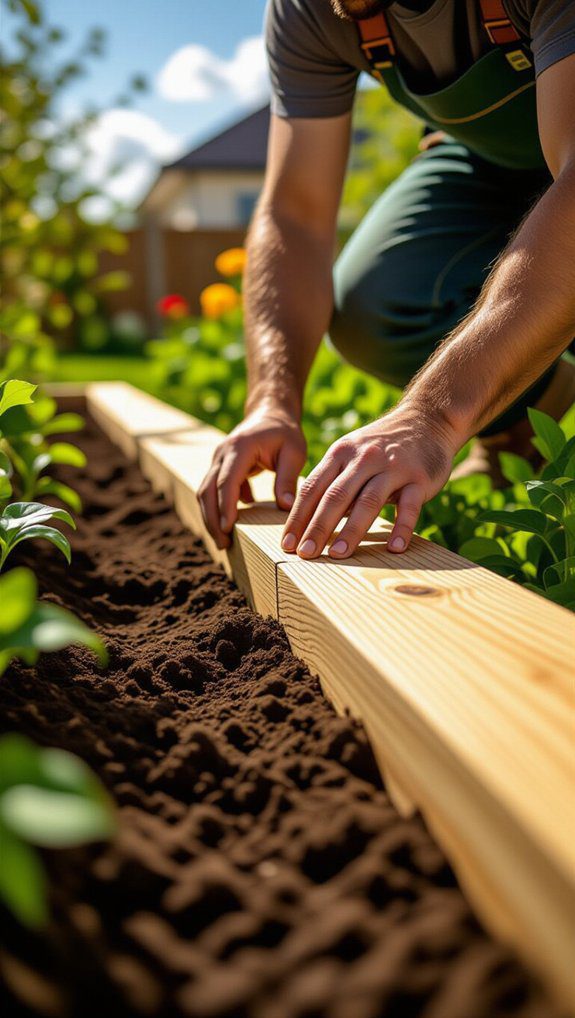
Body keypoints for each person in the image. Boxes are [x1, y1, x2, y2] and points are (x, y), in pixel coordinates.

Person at [199, 0, 575, 561]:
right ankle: (521, 425)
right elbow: (295, 215)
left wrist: (434, 416)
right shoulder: (310, 10)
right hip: (486, 164)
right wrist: (271, 402)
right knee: (381, 307)